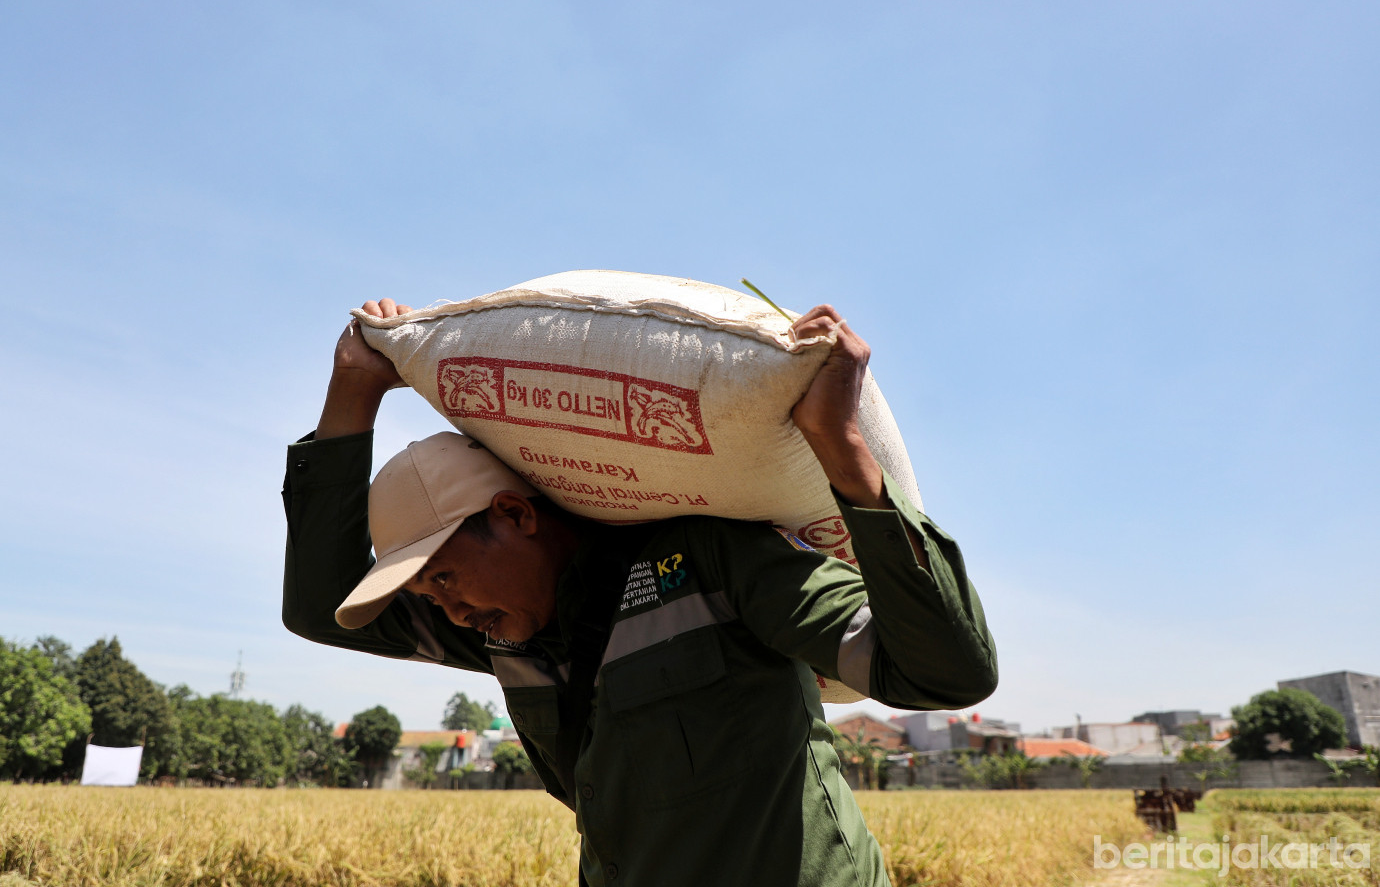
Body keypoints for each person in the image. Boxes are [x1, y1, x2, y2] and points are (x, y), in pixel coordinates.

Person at [283, 297, 998, 887]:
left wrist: (843, 449)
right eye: (429, 596)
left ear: (515, 516)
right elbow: (320, 608)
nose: (447, 609)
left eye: (441, 576)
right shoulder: (506, 635)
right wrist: (353, 390)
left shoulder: (713, 563)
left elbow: (946, 672)